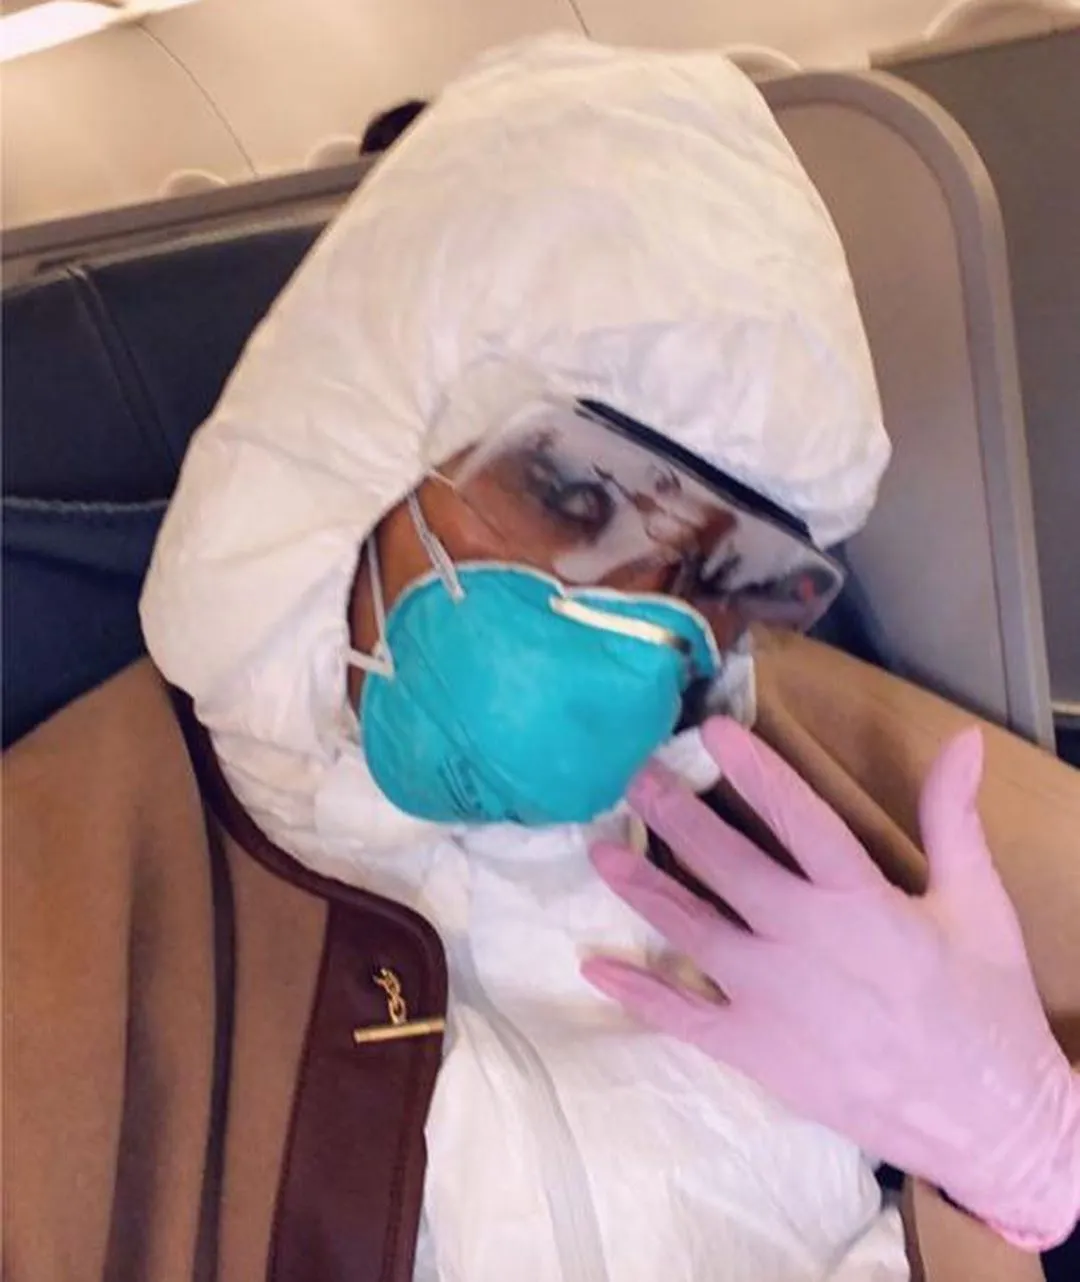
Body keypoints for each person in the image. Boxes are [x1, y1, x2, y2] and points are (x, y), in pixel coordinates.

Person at [5, 33, 1079, 1282]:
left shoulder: (790, 770)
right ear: (360, 439)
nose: (640, 622)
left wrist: (1024, 1155)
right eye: (574, 498)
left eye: (717, 573)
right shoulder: (71, 879)